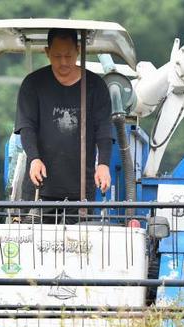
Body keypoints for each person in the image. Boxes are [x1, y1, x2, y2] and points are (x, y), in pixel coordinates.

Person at [14, 28, 113, 214]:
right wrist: (34, 159)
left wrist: (104, 164)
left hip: (82, 188)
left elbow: (104, 129)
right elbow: (26, 126)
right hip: (40, 187)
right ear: (46, 52)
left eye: (68, 55)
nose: (63, 62)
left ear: (78, 50)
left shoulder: (95, 86)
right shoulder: (33, 84)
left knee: (80, 243)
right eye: (57, 56)